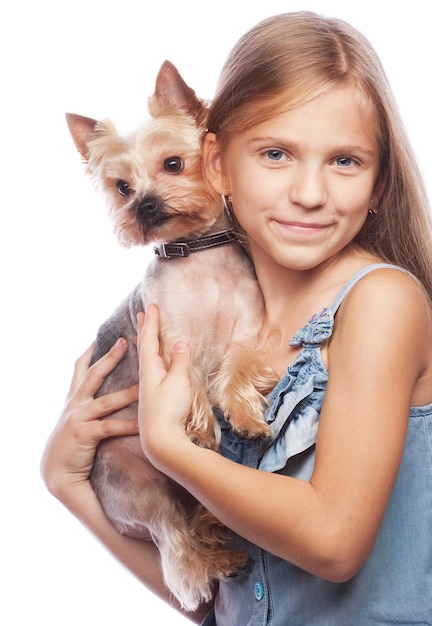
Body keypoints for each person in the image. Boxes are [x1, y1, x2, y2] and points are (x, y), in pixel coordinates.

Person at [41, 11, 432, 625]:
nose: (309, 192)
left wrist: (168, 444)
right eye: (276, 154)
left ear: (381, 179)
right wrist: (67, 486)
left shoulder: (379, 302)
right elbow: (222, 602)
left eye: (346, 161)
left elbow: (333, 544)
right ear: (217, 163)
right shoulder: (218, 328)